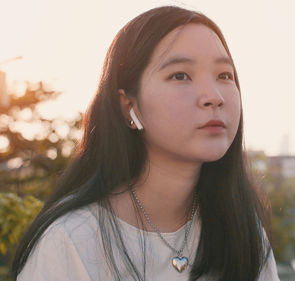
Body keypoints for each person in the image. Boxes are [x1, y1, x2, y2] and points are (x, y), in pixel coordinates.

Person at [12, 6, 279, 281]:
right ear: (130, 106)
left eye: (224, 75)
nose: (213, 96)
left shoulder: (240, 229)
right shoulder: (71, 241)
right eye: (180, 75)